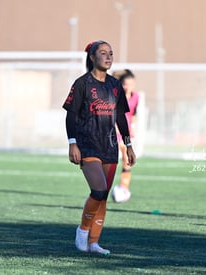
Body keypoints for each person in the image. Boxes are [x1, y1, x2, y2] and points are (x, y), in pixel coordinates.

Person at [62, 40, 136, 255]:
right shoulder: (82, 84)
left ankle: (94, 243)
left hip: (110, 147)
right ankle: (83, 231)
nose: (108, 56)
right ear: (92, 57)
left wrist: (128, 144)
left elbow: (121, 117)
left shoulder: (115, 85)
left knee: (103, 197)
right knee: (99, 190)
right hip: (87, 145)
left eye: (111, 53)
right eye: (103, 53)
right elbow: (71, 115)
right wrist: (72, 143)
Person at [112, 69, 140, 201]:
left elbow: (133, 113)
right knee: (115, 159)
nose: (128, 87)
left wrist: (132, 128)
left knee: (127, 160)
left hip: (126, 132)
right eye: (125, 84)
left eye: (131, 84)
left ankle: (123, 188)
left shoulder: (136, 97)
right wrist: (116, 128)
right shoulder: (116, 96)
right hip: (115, 131)